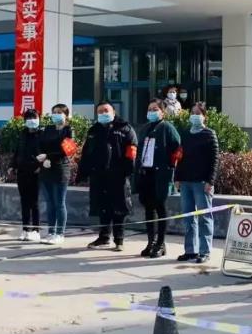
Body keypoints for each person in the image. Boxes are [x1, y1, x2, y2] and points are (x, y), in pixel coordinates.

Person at [77, 101, 137, 252]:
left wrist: (128, 171)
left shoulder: (125, 129)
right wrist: (82, 173)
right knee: (102, 207)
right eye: (100, 111)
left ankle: (119, 239)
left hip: (118, 176)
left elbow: (132, 151)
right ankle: (103, 237)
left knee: (119, 208)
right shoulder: (94, 130)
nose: (103, 113)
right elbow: (86, 153)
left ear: (113, 112)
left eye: (106, 110)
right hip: (99, 176)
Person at [175, 102, 220, 264]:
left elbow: (215, 160)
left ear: (204, 116)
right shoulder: (185, 134)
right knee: (188, 218)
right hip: (186, 182)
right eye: (192, 113)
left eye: (198, 113)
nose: (195, 116)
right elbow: (180, 157)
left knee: (204, 217)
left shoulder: (209, 134)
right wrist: (177, 178)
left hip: (202, 183)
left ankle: (204, 251)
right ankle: (190, 250)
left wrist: (210, 181)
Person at [137, 99, 181, 258]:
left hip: (161, 174)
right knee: (148, 208)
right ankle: (151, 241)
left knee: (160, 207)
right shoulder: (145, 128)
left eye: (155, 109)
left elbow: (177, 149)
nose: (151, 112)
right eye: (149, 109)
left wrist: (171, 168)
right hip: (146, 173)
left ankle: (161, 243)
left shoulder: (167, 128)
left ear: (163, 112)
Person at [39, 104, 75, 246]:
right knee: (50, 203)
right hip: (46, 168)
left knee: (59, 203)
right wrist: (43, 157)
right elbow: (41, 145)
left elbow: (68, 151)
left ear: (66, 115)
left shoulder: (68, 130)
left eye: (60, 112)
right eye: (54, 112)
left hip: (60, 169)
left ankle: (60, 233)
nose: (56, 114)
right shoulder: (48, 129)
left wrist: (49, 156)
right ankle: (51, 232)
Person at [9, 109, 46, 242]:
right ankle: (25, 229)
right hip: (22, 172)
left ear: (39, 119)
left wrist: (40, 167)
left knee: (34, 202)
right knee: (24, 201)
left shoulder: (42, 134)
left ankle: (36, 230)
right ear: (25, 121)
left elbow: (47, 153)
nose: (31, 120)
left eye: (34, 117)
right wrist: (12, 166)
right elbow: (17, 152)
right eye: (28, 118)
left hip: (36, 172)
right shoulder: (22, 134)